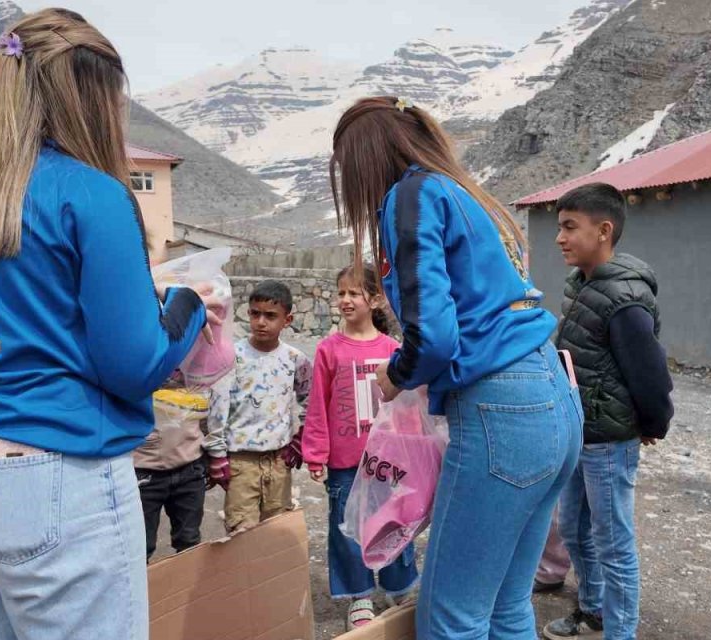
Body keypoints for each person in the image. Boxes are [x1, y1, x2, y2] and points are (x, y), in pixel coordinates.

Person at [0, 9, 218, 639]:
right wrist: (187, 304)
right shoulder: (92, 194)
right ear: (95, 97)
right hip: (46, 479)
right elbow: (133, 366)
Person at [331, 96, 581, 640]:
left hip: (501, 411)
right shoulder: (461, 194)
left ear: (363, 160)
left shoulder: (410, 196)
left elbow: (435, 339)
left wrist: (394, 375)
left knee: (451, 616)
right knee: (505, 603)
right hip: (552, 397)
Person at [543, 183, 674, 640]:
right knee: (575, 532)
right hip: (580, 433)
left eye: (569, 227)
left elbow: (651, 371)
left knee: (613, 542)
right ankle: (593, 608)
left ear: (603, 230)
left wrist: (653, 422)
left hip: (608, 443)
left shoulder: (625, 298)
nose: (559, 237)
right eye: (559, 226)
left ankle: (621, 632)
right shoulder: (582, 284)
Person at [303, 264, 419, 630]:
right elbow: (317, 406)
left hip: (388, 461)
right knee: (346, 526)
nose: (345, 300)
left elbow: (407, 408)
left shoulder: (393, 350)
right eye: (341, 293)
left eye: (354, 293)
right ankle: (359, 594)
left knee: (396, 522)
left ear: (375, 299)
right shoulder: (327, 350)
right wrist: (316, 452)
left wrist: (413, 451)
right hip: (345, 463)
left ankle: (399, 585)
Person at [210, 280, 312, 534]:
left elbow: (311, 401)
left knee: (276, 533)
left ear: (287, 320)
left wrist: (300, 440)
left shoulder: (295, 359)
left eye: (270, 316)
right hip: (240, 462)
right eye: (255, 314)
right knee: (241, 535)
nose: (261, 322)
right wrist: (216, 455)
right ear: (248, 314)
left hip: (279, 461)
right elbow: (217, 407)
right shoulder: (232, 356)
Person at [134, 375, 228, 560]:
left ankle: (185, 587)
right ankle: (144, 588)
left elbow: (210, 417)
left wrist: (214, 458)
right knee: (140, 547)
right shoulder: (138, 368)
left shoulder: (199, 371)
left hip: (190, 469)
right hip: (142, 473)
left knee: (189, 540)